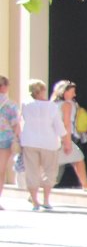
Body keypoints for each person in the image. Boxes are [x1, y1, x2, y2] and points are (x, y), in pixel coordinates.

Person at [17, 80, 68, 211]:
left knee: (31, 171)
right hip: (49, 142)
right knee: (50, 171)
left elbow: (21, 121)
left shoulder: (25, 104)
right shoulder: (52, 107)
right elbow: (58, 125)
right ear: (40, 91)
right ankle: (46, 199)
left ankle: (35, 201)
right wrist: (65, 140)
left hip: (29, 141)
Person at [50, 80, 87, 191]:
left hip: (53, 138)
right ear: (64, 92)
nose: (74, 95)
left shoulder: (52, 104)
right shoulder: (67, 105)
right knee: (78, 158)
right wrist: (68, 142)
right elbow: (66, 124)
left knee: (54, 167)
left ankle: (39, 190)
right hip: (64, 138)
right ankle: (86, 185)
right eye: (72, 92)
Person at [0, 75, 19, 207]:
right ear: (5, 87)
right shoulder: (10, 105)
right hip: (5, 139)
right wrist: (18, 139)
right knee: (1, 171)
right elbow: (15, 125)